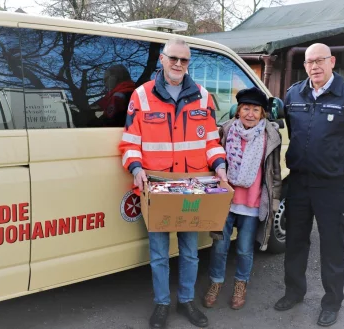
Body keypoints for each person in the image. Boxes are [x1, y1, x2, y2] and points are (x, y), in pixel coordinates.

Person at [118, 37, 227, 329]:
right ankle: (162, 304)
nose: (178, 64)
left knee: (190, 251)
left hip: (192, 186)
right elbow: (130, 143)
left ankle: (187, 301)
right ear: (162, 60)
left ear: (188, 63)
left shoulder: (203, 97)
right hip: (156, 188)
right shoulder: (141, 96)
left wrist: (220, 165)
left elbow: (211, 141)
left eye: (184, 60)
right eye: (173, 58)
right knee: (158, 253)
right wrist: (136, 167)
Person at [274, 43, 344, 327]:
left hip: (332, 186)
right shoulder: (294, 95)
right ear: (304, 66)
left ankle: (332, 302)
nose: (314, 66)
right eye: (309, 62)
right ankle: (294, 292)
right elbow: (288, 130)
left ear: (332, 62)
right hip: (300, 182)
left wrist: (342, 169)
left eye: (320, 61)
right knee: (295, 241)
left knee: (332, 245)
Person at [202, 87, 282, 310]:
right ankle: (216, 282)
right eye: (246, 108)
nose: (250, 113)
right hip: (225, 200)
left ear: (262, 113)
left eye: (256, 109)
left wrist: (273, 202)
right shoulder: (226, 131)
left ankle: (240, 284)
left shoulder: (270, 136)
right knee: (219, 246)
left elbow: (274, 173)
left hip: (253, 202)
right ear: (238, 111)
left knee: (245, 248)